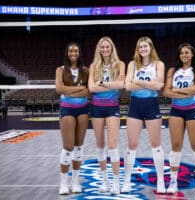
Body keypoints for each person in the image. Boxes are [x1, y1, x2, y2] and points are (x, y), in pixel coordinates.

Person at [121, 36, 166, 193]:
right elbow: (127, 86)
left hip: (151, 105)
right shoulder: (132, 64)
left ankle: (161, 181)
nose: (143, 49)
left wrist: (138, 82)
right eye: (140, 47)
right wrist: (149, 84)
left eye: (145, 46)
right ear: (137, 49)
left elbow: (159, 85)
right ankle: (126, 181)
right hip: (135, 106)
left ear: (151, 47)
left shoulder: (159, 64)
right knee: (132, 144)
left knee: (156, 144)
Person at [162, 43, 195, 196]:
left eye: (187, 53)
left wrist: (178, 90)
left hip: (193, 109)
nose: (184, 55)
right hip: (176, 110)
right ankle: (173, 181)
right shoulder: (172, 71)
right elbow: (166, 92)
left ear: (192, 54)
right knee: (175, 145)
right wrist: (187, 92)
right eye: (182, 53)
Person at [88, 36, 125, 195]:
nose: (105, 49)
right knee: (100, 145)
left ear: (112, 48)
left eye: (107, 47)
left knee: (112, 145)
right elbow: (91, 88)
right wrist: (110, 85)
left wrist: (101, 84)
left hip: (112, 108)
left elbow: (121, 85)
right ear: (99, 49)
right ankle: (105, 181)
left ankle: (116, 182)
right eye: (102, 47)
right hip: (96, 108)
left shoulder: (119, 64)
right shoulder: (93, 66)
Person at [55, 42, 90, 195]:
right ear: (67, 53)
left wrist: (70, 91)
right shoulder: (60, 70)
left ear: (79, 53)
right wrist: (79, 89)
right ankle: (64, 183)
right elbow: (59, 89)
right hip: (67, 109)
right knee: (68, 147)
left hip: (82, 110)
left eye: (76, 50)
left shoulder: (86, 70)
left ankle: (75, 182)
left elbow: (89, 91)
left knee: (78, 147)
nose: (73, 53)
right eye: (71, 51)